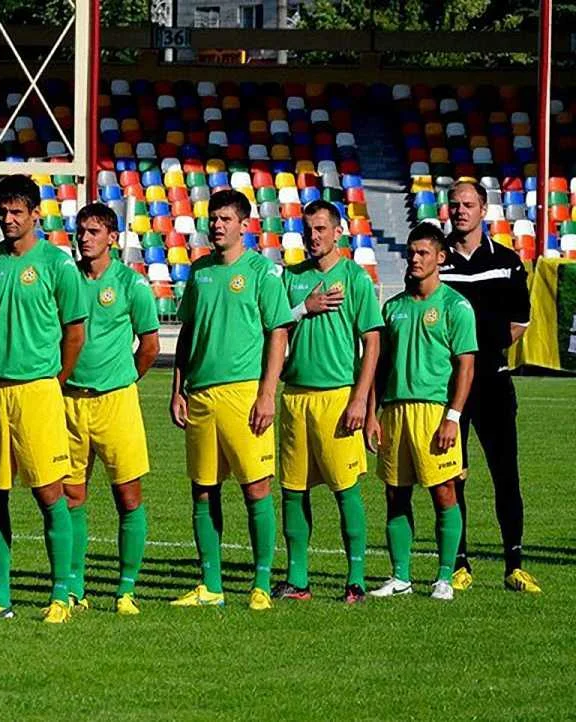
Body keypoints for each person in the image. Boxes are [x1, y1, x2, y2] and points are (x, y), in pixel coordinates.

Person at [0, 174, 87, 624]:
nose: (9, 219)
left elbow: (75, 332)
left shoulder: (57, 264)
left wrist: (55, 379)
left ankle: (61, 594)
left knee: (50, 493)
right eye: (3, 212)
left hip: (37, 392)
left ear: (35, 214)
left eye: (17, 212)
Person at [168, 189, 293, 611]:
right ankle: (211, 586)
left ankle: (261, 584)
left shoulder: (261, 272)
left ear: (244, 224)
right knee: (203, 489)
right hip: (201, 395)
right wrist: (178, 389)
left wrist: (267, 394)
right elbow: (187, 332)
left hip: (244, 393)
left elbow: (278, 333)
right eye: (213, 218)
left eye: (226, 219)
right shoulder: (199, 271)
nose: (217, 225)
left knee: (256, 488)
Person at [274, 200, 383, 605]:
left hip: (338, 398)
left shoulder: (355, 278)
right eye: (308, 229)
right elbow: (274, 327)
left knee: (345, 490)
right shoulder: (291, 276)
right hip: (295, 396)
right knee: (292, 490)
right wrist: (305, 307)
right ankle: (297, 579)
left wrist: (360, 400)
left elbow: (372, 342)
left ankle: (355, 580)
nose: (313, 236)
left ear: (338, 232)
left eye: (321, 229)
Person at [367, 222, 476, 602]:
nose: (415, 259)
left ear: (440, 258)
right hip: (394, 412)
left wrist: (453, 417)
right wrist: (372, 414)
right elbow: (380, 367)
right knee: (395, 494)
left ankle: (445, 577)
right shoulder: (393, 307)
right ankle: (400, 577)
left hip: (434, 413)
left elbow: (466, 367)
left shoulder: (455, 307)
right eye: (411, 253)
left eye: (423, 253)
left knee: (444, 493)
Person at [440, 181, 539, 593]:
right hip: (447, 387)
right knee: (451, 477)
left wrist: (481, 352)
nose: (460, 211)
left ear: (484, 210)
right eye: (454, 204)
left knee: (505, 475)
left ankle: (514, 565)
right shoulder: (437, 260)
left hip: (493, 384)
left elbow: (520, 323)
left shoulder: (508, 262)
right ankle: (459, 563)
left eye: (468, 204)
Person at [62, 202, 159, 615]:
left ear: (112, 238)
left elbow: (150, 345)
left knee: (128, 496)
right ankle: (74, 587)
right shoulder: (66, 280)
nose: (85, 238)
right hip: (69, 402)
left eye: (94, 232)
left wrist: (125, 378)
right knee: (71, 496)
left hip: (116, 401)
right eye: (81, 231)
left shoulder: (131, 284)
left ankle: (125, 589)